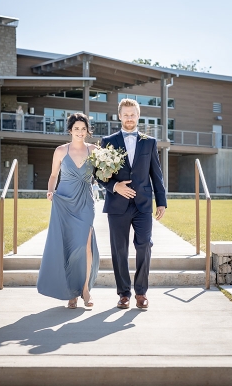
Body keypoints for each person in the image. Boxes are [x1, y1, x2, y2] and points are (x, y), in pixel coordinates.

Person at [98, 98, 167, 310]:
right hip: (117, 205)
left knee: (144, 244)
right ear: (119, 116)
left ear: (138, 116)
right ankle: (124, 293)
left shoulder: (150, 142)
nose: (129, 118)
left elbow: (156, 174)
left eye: (133, 114)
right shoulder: (107, 141)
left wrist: (161, 201)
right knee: (119, 249)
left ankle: (141, 292)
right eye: (125, 114)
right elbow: (98, 173)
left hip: (143, 204)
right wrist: (114, 186)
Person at [37, 113, 99, 309]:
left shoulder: (95, 150)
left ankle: (85, 289)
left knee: (85, 245)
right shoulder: (60, 151)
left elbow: (104, 174)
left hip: (86, 202)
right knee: (69, 247)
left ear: (88, 131)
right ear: (70, 130)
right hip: (64, 202)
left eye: (83, 128)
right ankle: (71, 291)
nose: (80, 132)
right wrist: (49, 190)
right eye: (76, 128)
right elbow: (53, 175)